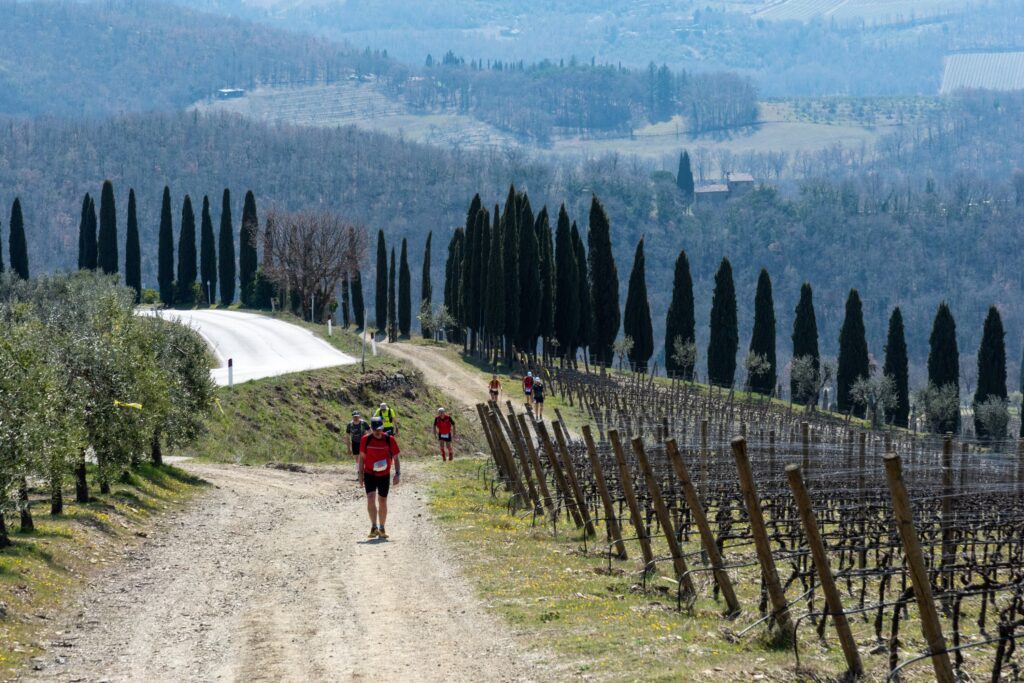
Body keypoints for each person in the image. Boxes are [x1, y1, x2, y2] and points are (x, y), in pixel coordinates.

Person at [358, 416, 401, 539]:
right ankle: (373, 526)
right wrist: (360, 475)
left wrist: (397, 474)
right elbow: (361, 458)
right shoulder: (365, 440)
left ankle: (382, 528)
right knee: (371, 498)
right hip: (369, 473)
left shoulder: (389, 439)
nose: (378, 432)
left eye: (380, 429)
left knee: (382, 500)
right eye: (375, 429)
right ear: (371, 428)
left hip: (384, 474)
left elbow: (396, 457)